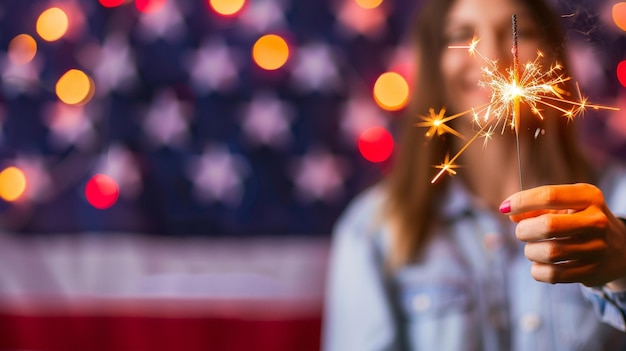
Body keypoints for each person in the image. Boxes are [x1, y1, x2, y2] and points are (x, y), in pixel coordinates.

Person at [322, 0, 626, 350]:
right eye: (462, 36)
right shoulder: (373, 230)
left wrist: (622, 267)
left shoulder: (616, 199)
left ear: (552, 54)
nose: (492, 56)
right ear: (433, 61)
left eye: (518, 32)